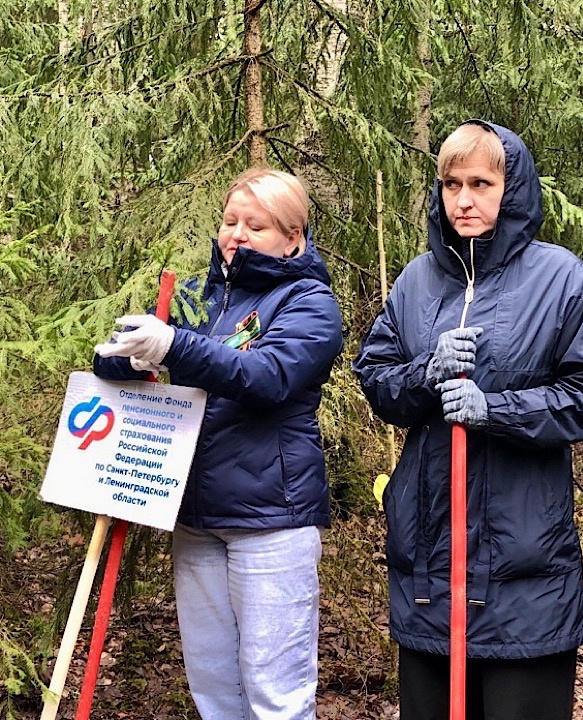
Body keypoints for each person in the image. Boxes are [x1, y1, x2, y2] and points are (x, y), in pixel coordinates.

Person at [353, 121, 583, 720]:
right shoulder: (418, 281)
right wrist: (426, 371)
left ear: (512, 188)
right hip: (431, 567)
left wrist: (493, 409)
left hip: (524, 568)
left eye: (481, 182)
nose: (464, 199)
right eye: (451, 184)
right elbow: (377, 378)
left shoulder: (560, 278)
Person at [93, 168, 343, 719]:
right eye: (231, 221)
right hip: (196, 519)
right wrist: (126, 356)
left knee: (275, 692)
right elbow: (115, 362)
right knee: (214, 687)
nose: (237, 234)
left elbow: (267, 375)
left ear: (292, 237)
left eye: (256, 225)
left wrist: (174, 347)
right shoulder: (196, 300)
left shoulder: (309, 303)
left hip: (271, 522)